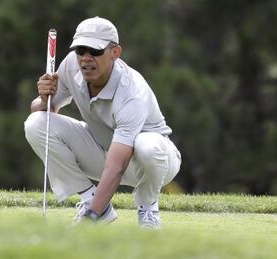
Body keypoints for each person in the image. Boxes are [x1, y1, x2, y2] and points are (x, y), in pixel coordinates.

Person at [24, 16, 181, 229]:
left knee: (148, 147)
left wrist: (91, 219)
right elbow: (48, 112)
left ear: (115, 53)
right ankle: (90, 199)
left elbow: (117, 167)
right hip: (104, 151)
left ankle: (147, 208)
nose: (86, 59)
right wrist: (44, 99)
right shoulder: (71, 64)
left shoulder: (132, 91)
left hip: (153, 164)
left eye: (95, 51)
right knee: (36, 123)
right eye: (81, 50)